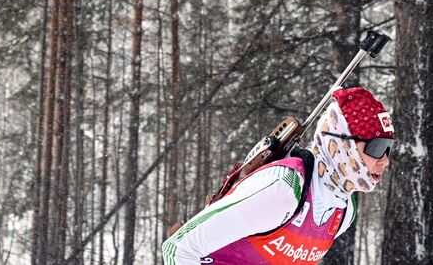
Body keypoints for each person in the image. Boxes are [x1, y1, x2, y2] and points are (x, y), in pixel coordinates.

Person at [162, 86, 394, 264]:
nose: (385, 160)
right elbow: (178, 248)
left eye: (388, 148)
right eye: (376, 147)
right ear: (341, 143)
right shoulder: (284, 189)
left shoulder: (344, 212)